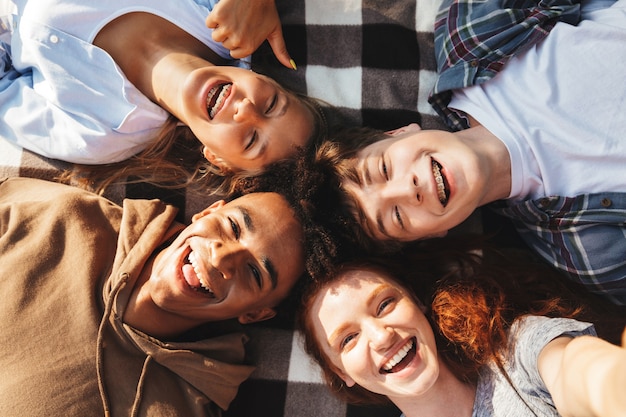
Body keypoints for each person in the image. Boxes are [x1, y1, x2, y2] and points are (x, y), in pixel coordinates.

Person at [308, 0, 626, 304]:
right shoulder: (587, 253)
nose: (408, 189)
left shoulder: (470, 31)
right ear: (431, 234)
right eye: (397, 216)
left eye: (385, 169)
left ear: (399, 132)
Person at [0, 172, 348, 416]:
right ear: (209, 211)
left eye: (254, 272)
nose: (221, 257)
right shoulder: (60, 215)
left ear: (255, 313)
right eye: (232, 227)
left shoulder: (184, 406)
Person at [0, 0, 327, 191]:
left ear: (218, 160)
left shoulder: (100, 134)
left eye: (251, 141)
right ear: (263, 78)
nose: (246, 112)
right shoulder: (219, 10)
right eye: (271, 104)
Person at [297, 250, 626, 417]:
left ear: (416, 302)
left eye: (384, 305)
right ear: (340, 371)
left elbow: (575, 368)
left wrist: (609, 381)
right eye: (348, 339)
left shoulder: (512, 352)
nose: (382, 337)